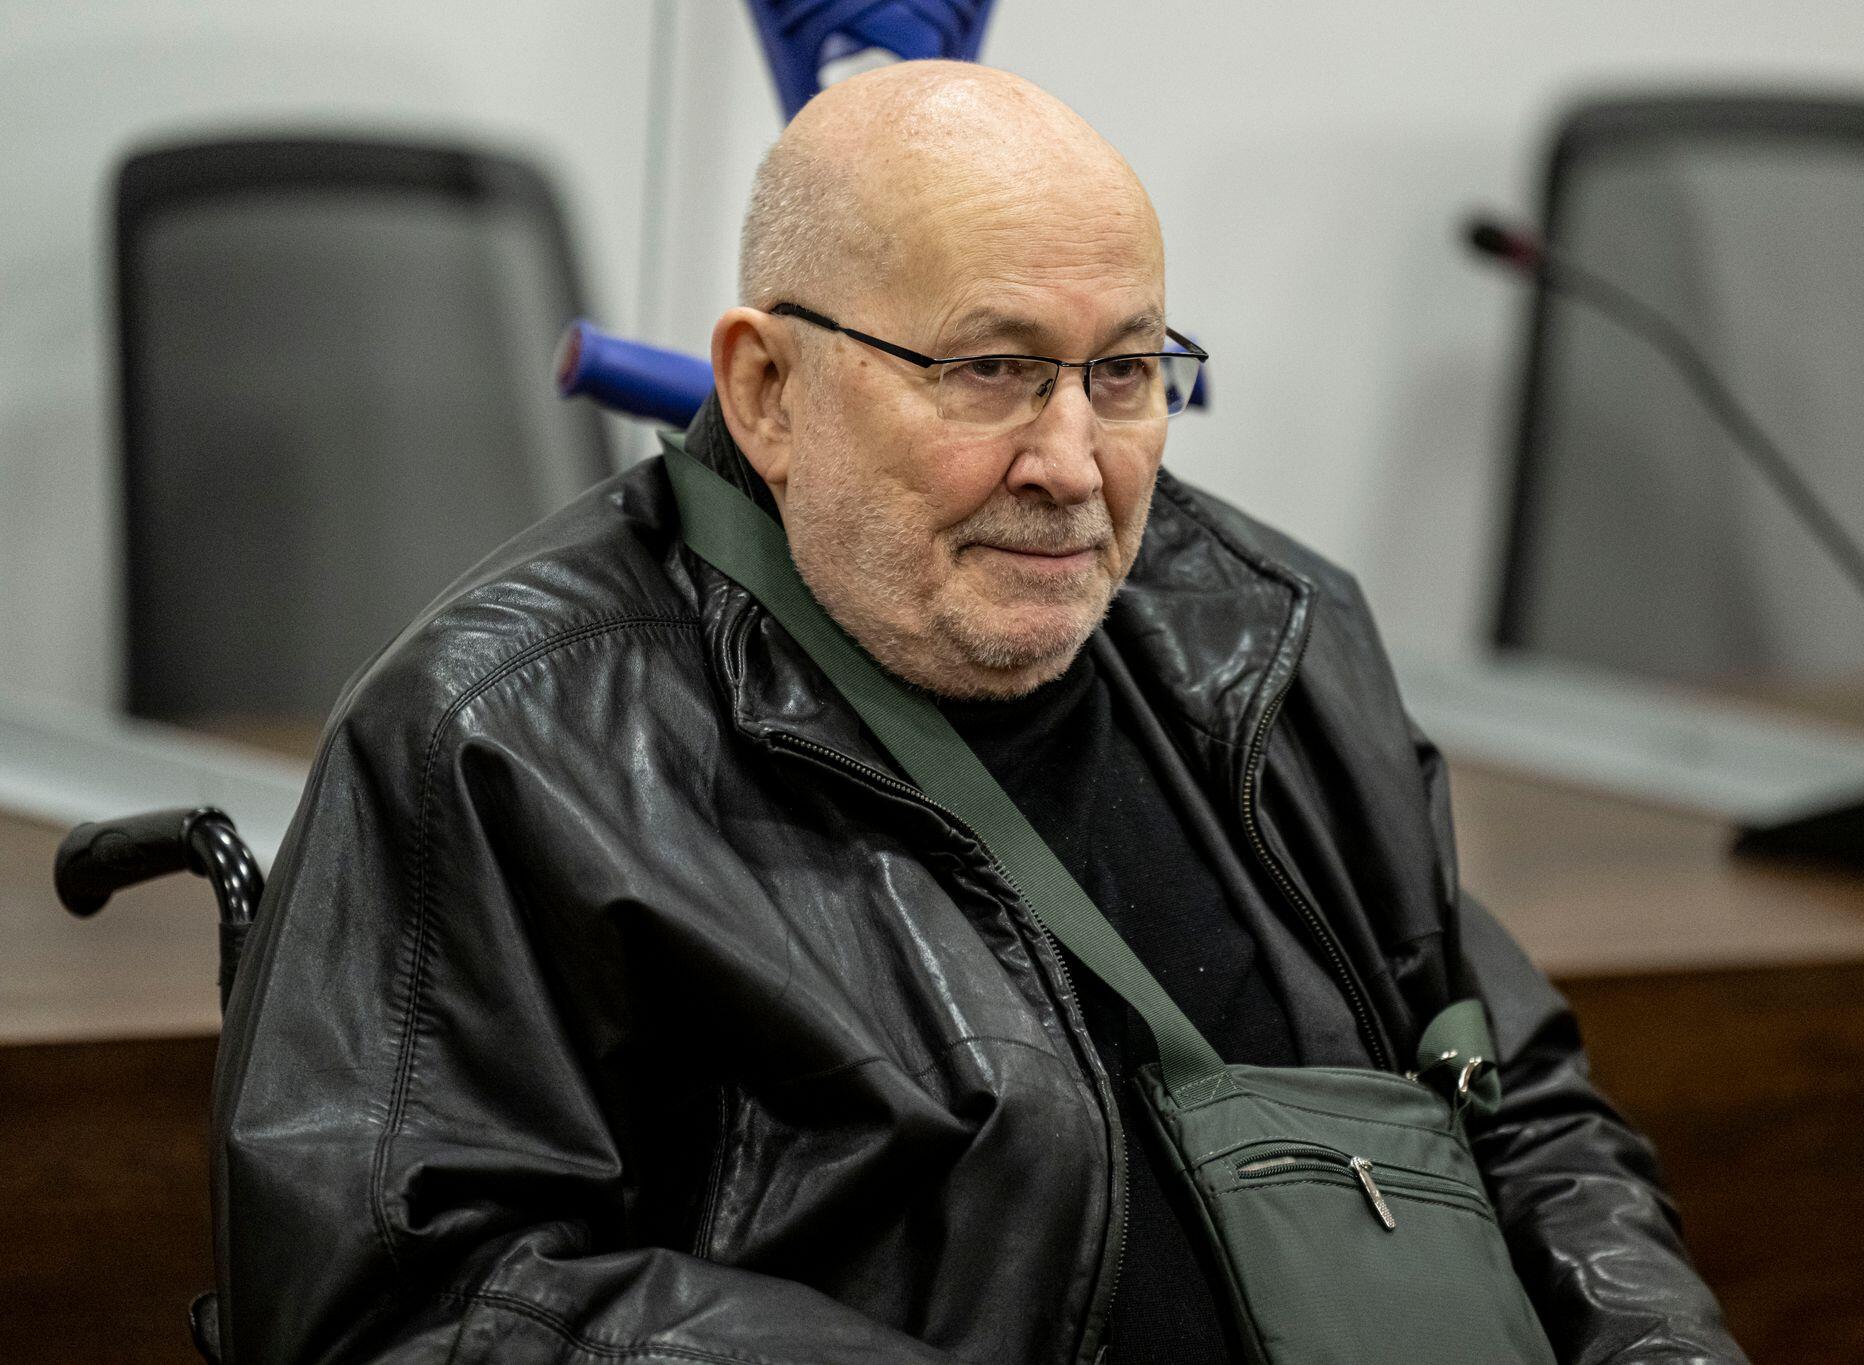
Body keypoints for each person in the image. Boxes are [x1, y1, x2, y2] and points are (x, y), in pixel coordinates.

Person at [214, 61, 1744, 1364]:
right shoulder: (500, 739)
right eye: (994, 369)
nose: (1072, 463)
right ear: (766, 388)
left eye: (1125, 372)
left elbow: (1519, 1103)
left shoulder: (1271, 635)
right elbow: (400, 1310)